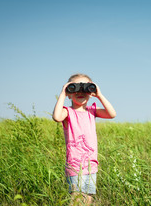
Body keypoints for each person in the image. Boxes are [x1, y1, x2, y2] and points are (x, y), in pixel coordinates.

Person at [52, 73, 116, 205]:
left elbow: (112, 114)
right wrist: (63, 94)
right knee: (76, 199)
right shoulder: (67, 112)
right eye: (75, 88)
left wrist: (99, 95)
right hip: (75, 166)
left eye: (85, 88)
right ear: (69, 92)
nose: (80, 92)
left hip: (91, 165)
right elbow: (57, 117)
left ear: (91, 92)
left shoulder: (92, 111)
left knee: (88, 199)